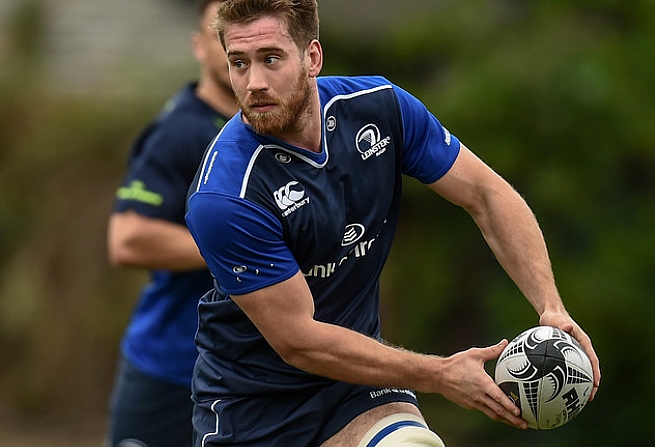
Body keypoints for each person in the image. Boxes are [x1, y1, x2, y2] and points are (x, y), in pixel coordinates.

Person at [184, 1, 602, 446]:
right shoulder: (225, 194)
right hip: (254, 411)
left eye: (271, 58)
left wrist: (551, 307)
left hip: (358, 388)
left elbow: (487, 195)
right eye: (239, 64)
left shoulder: (380, 109)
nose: (255, 83)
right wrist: (440, 374)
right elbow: (299, 341)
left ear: (312, 57)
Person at [104, 1, 237, 446]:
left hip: (245, 375)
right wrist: (238, 248)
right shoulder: (180, 131)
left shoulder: (275, 134)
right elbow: (128, 239)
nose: (231, 44)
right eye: (220, 34)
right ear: (199, 46)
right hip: (169, 371)